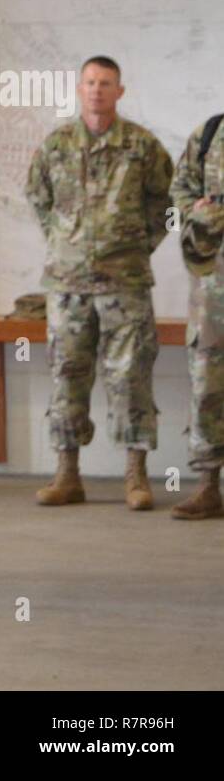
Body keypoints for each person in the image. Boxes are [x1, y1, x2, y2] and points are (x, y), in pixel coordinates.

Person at [24, 56, 173, 511]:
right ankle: (67, 475)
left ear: (119, 91)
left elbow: (164, 205)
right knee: (67, 377)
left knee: (130, 379)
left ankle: (136, 477)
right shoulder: (56, 145)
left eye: (105, 83)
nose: (96, 90)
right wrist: (64, 241)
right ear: (79, 88)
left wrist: (135, 246)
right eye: (89, 82)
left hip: (124, 284)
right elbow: (38, 196)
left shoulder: (143, 147)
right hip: (67, 287)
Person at [168, 115, 224, 519]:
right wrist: (196, 210)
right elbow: (179, 190)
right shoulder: (209, 134)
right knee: (208, 383)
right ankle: (208, 486)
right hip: (212, 286)